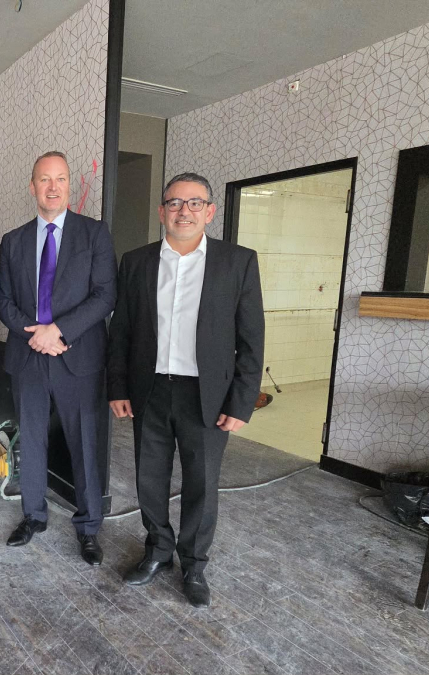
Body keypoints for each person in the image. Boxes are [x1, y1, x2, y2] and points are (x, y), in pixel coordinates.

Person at [107, 172, 264, 607]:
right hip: (150, 389)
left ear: (210, 212)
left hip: (207, 395)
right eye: (175, 203)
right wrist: (117, 386)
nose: (184, 211)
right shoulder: (136, 262)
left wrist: (242, 401)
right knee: (149, 476)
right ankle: (158, 549)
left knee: (202, 482)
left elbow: (252, 338)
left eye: (195, 203)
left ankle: (194, 563)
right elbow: (121, 332)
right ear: (162, 212)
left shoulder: (237, 262)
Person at [0, 151, 115, 565]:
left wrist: (58, 331)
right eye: (44, 179)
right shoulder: (13, 241)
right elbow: (1, 299)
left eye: (60, 179)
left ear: (69, 186)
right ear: (33, 186)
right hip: (28, 355)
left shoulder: (94, 234)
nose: (52, 187)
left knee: (84, 442)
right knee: (31, 438)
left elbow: (105, 295)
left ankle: (89, 526)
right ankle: (33, 515)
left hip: (77, 356)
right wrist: (35, 334)